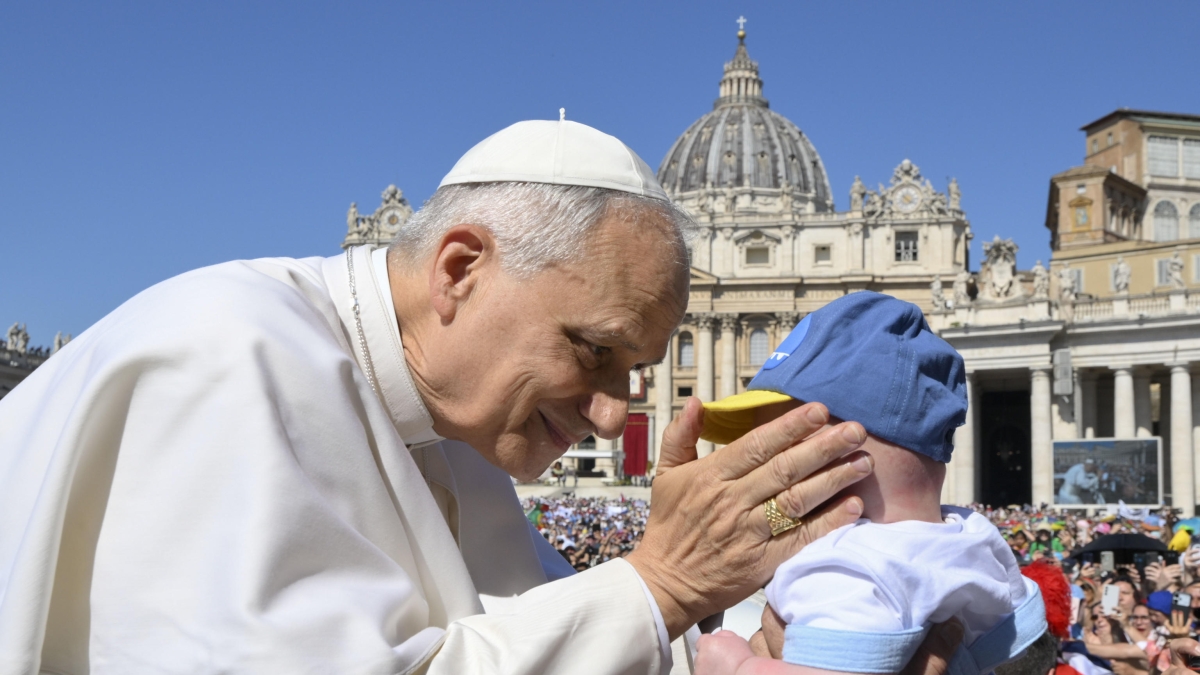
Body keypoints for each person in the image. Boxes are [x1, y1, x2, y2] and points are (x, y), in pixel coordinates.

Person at [0, 119, 937, 673]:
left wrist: (793, 647)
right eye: (594, 351)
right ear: (459, 269)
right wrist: (661, 581)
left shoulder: (456, 432)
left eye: (636, 372)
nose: (612, 412)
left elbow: (546, 631)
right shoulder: (222, 358)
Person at [692, 292, 1045, 674]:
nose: (761, 471)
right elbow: (1019, 639)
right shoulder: (975, 535)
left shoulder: (841, 565)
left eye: (779, 451)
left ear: (848, 457)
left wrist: (736, 665)